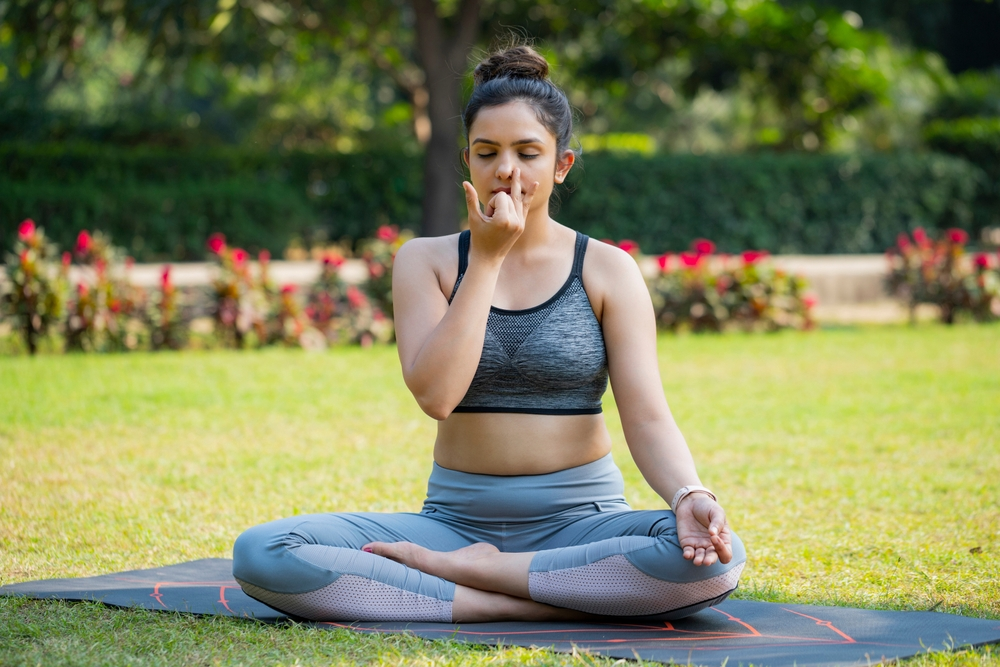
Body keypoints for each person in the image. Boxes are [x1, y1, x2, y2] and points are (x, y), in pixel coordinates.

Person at [232, 44, 745, 623]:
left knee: (717, 558)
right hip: (452, 525)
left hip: (580, 523)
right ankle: (535, 599)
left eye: (528, 152)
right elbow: (436, 395)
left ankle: (472, 581)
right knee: (264, 553)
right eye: (488, 152)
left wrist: (688, 495)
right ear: (467, 161)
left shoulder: (606, 269)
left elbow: (647, 417)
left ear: (561, 164)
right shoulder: (425, 261)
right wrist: (487, 260)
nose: (507, 170)